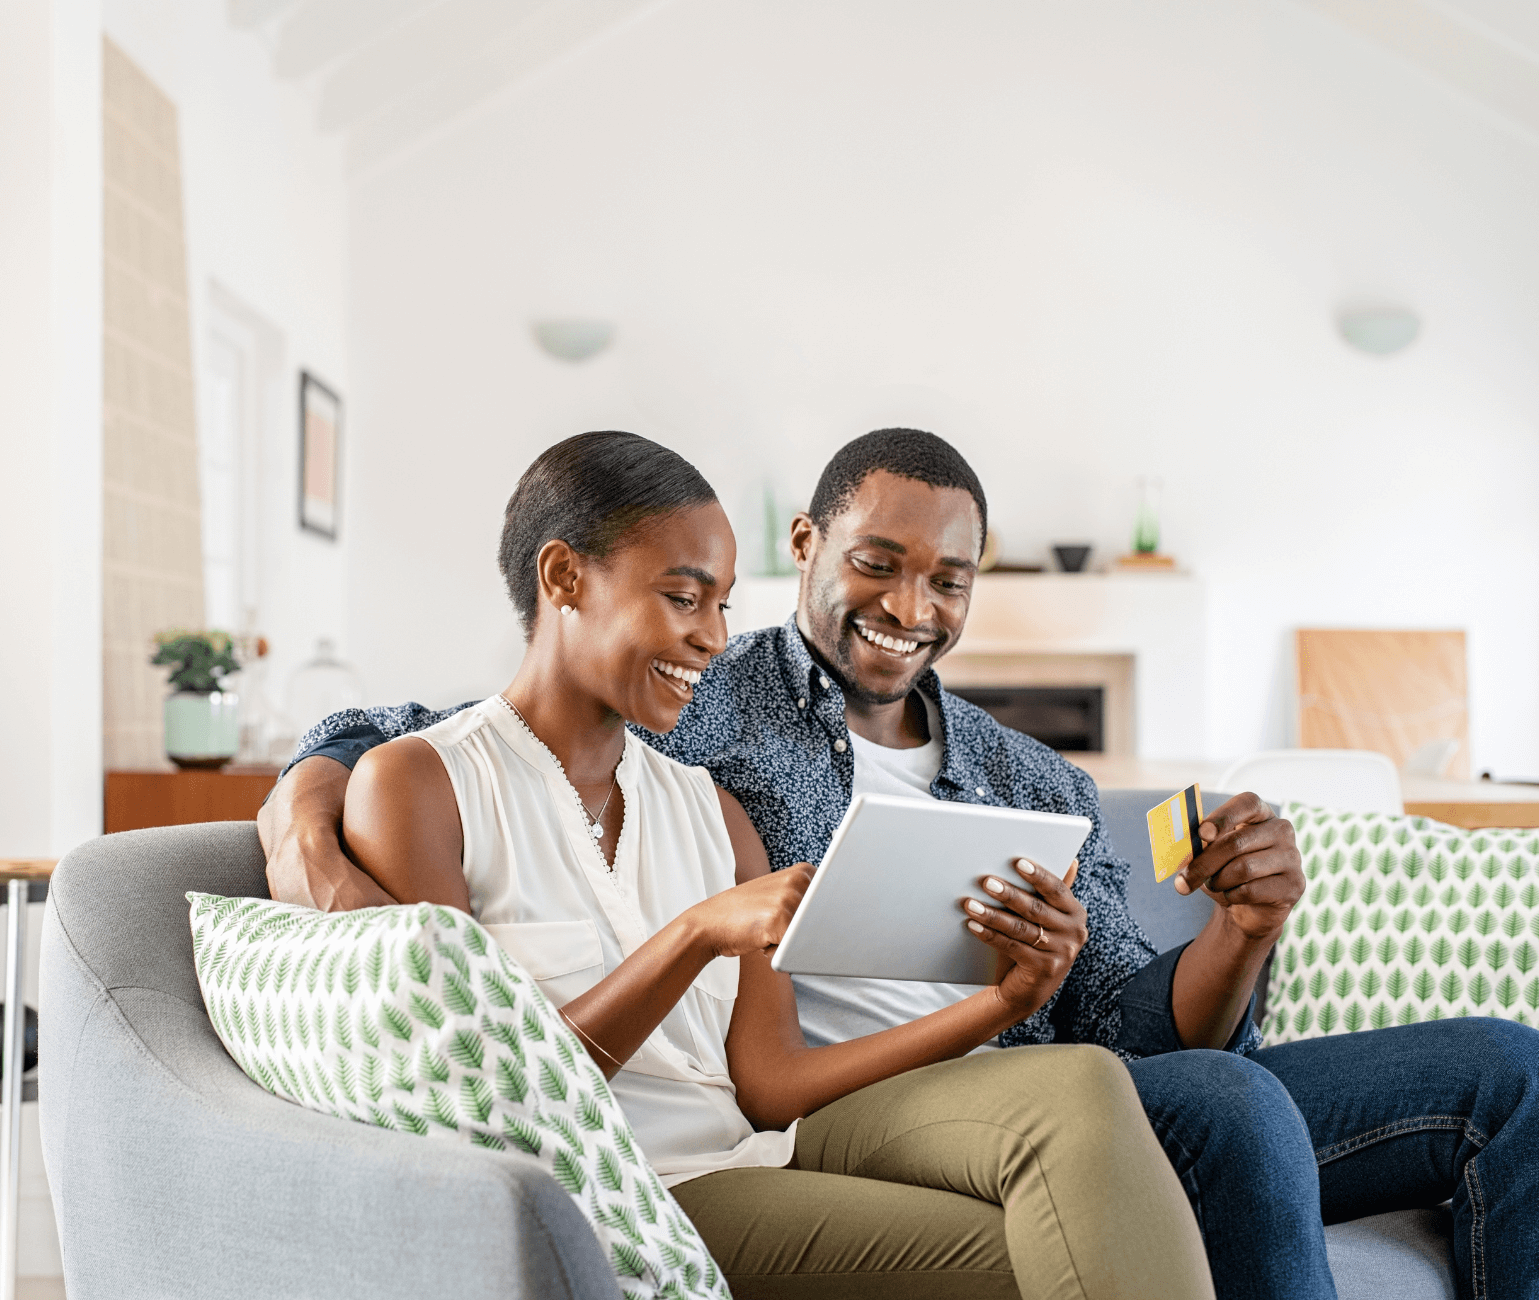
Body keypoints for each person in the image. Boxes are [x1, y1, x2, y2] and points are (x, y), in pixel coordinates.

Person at [265, 428, 1539, 1300]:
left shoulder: (1035, 779)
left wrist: (1240, 933)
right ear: (810, 544)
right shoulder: (719, 702)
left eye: (950, 579)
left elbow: (1132, 1028)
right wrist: (309, 793)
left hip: (1054, 1080)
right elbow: (468, 721)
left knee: (1507, 1070)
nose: (911, 606)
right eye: (877, 563)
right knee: (1222, 1102)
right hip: (853, 1117)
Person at [336, 429, 1213, 1299]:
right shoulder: (419, 786)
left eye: (721, 604)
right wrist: (691, 936)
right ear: (565, 577)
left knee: (1081, 1131)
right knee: (1045, 1256)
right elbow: (485, 1105)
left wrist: (1004, 1001)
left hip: (756, 1155)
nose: (715, 637)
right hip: (625, 1197)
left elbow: (770, 1087)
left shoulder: (711, 812)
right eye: (684, 598)